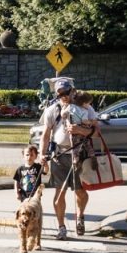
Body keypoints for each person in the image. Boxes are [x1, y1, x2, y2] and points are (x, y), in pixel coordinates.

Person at [38, 80, 92, 240]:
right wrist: (42, 154)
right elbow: (46, 135)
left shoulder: (85, 108)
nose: (64, 96)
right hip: (59, 156)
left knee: (80, 192)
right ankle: (62, 227)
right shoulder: (52, 111)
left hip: (79, 155)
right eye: (60, 94)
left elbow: (96, 132)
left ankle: (80, 217)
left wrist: (80, 130)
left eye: (66, 92)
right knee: (59, 193)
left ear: (72, 91)